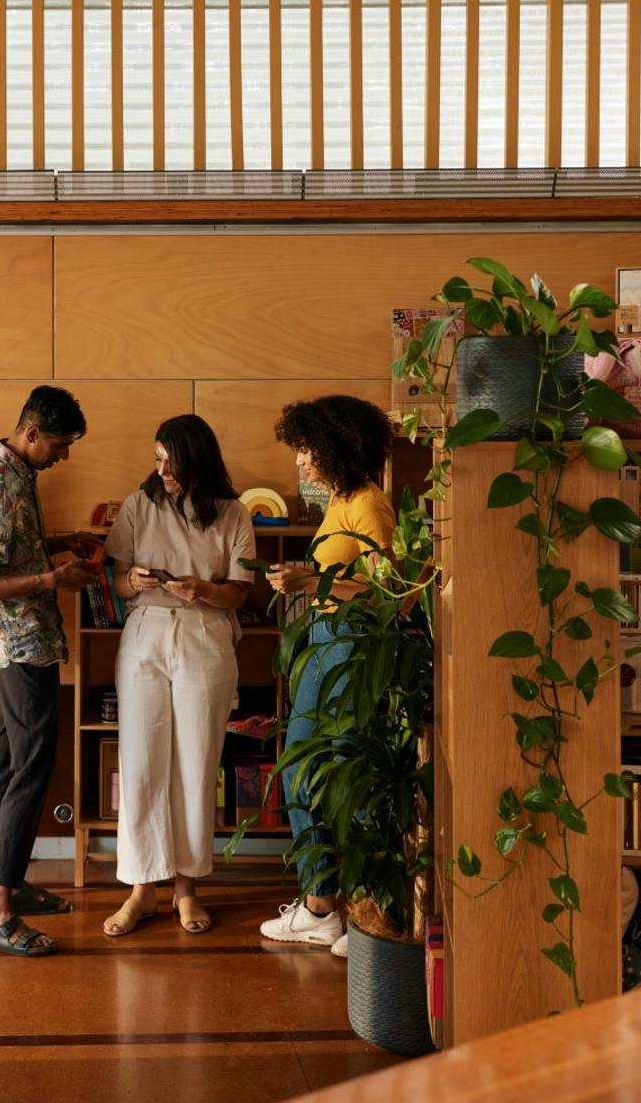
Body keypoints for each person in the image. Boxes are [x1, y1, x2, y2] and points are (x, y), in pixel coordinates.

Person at [101, 416, 256, 938]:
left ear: (198, 458)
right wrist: (134, 579)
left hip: (205, 635)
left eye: (170, 459)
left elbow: (239, 593)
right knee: (141, 765)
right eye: (157, 458)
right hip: (145, 631)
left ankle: (187, 886)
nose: (161, 469)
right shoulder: (139, 504)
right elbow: (117, 580)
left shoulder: (234, 514)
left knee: (196, 763)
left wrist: (204, 591)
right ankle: (142, 889)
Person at [258, 395, 396, 954]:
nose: (298, 461)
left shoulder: (369, 504)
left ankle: (365, 912)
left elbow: (392, 594)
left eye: (306, 449)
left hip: (352, 650)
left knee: (349, 773)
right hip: (323, 644)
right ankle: (320, 904)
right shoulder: (340, 501)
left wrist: (310, 583)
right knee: (300, 771)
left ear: (337, 444)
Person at [0, 386, 97, 957]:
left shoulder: (17, 475)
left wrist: (61, 544)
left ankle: (6, 883)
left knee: (8, 764)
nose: (62, 456)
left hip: (13, 644)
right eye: (60, 445)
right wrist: (52, 581)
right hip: (19, 645)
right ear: (33, 432)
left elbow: (12, 550)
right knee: (31, 770)